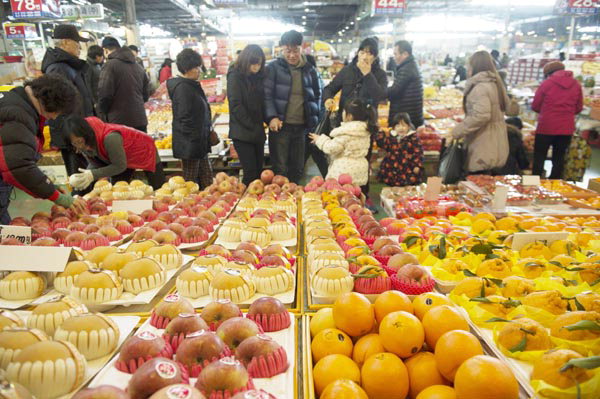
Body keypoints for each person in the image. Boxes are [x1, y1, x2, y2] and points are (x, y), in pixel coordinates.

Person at [0, 74, 87, 223]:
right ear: (52, 103)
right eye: (57, 113)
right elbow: (19, 166)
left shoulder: (17, 102)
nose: (53, 118)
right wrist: (55, 196)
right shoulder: (18, 114)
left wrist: (49, 186)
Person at [41, 24, 95, 194]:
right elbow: (59, 106)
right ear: (64, 43)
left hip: (78, 132)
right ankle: (81, 214)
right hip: (72, 135)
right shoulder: (58, 68)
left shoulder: (67, 65)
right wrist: (74, 136)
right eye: (77, 43)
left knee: (85, 178)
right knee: (79, 179)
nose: (80, 47)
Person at [264, 30, 321, 184]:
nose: (292, 55)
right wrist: (272, 117)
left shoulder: (309, 69)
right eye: (288, 51)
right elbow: (266, 95)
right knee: (280, 168)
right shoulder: (273, 68)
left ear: (301, 49)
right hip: (281, 127)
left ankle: (294, 202)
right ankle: (280, 204)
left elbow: (317, 94)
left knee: (297, 168)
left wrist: (314, 119)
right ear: (282, 49)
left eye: (295, 50)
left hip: (302, 128)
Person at [66, 116, 165, 190]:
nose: (79, 146)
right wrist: (84, 175)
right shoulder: (82, 142)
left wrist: (93, 174)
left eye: (79, 142)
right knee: (118, 190)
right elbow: (95, 162)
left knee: (159, 188)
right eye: (74, 143)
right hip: (122, 158)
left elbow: (119, 166)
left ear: (86, 135)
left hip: (144, 149)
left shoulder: (110, 138)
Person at [451, 50, 510, 175]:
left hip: (483, 142)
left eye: (469, 66)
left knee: (478, 184)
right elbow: (508, 108)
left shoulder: (480, 88)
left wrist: (457, 131)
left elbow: (481, 116)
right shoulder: (496, 84)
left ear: (475, 67)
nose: (467, 69)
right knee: (488, 184)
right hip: (496, 140)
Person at [167, 49, 214, 189]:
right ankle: (189, 208)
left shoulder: (191, 85)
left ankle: (209, 206)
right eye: (196, 67)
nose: (199, 70)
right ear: (187, 68)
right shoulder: (183, 88)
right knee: (190, 182)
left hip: (198, 142)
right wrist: (195, 139)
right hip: (190, 144)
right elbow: (184, 117)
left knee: (207, 177)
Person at [531, 61, 583, 179]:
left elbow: (535, 106)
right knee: (559, 158)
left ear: (549, 73)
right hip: (566, 128)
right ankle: (554, 186)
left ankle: (533, 186)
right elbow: (579, 107)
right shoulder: (576, 84)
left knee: (539, 157)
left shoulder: (546, 84)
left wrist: (546, 112)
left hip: (546, 126)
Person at [309, 98, 375, 186]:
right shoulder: (365, 130)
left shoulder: (346, 132)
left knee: (341, 196)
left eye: (344, 111)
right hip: (359, 170)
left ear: (349, 116)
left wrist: (320, 139)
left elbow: (331, 148)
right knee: (354, 194)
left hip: (344, 171)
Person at [323, 37, 388, 125]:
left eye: (369, 54)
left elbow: (381, 96)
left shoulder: (380, 74)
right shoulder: (347, 70)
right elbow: (329, 88)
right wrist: (328, 99)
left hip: (367, 124)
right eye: (362, 52)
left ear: (375, 57)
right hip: (345, 121)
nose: (365, 57)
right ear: (358, 53)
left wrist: (368, 75)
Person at [227, 45, 267, 186]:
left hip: (257, 132)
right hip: (242, 133)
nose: (257, 67)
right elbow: (236, 105)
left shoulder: (258, 77)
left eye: (259, 63)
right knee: (250, 173)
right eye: (254, 63)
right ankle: (246, 204)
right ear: (246, 61)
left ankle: (256, 204)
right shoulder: (235, 76)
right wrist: (252, 124)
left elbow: (262, 102)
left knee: (258, 172)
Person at [98, 37, 150, 132]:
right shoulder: (138, 67)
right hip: (140, 119)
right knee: (139, 146)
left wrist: (102, 113)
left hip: (119, 122)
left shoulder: (109, 66)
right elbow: (146, 95)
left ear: (105, 50)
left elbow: (105, 94)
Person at [376, 112, 424, 187]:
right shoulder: (391, 137)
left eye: (404, 125)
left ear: (408, 126)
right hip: (392, 168)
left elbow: (418, 153)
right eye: (398, 125)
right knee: (393, 187)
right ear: (394, 127)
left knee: (407, 187)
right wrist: (380, 132)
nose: (401, 128)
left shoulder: (413, 138)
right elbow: (383, 144)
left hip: (408, 168)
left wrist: (417, 165)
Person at [388, 40, 424, 129]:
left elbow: (394, 91)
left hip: (406, 120)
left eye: (396, 54)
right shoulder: (410, 65)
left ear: (405, 54)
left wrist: (379, 90)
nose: (394, 57)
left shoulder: (407, 69)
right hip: (411, 116)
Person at [85, 44, 104, 110]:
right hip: (95, 100)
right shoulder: (88, 66)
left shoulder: (97, 65)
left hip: (99, 97)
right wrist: (93, 101)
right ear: (97, 56)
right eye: (102, 56)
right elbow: (88, 85)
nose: (103, 58)